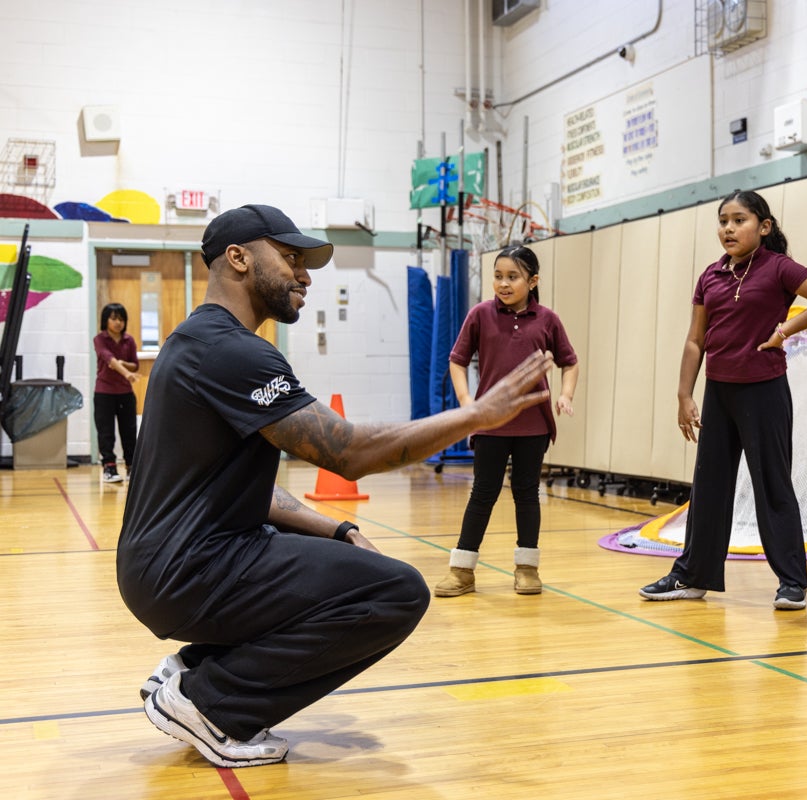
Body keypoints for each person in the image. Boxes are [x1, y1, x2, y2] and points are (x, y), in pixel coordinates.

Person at [117, 204, 554, 768]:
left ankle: (197, 669)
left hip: (170, 564)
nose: (305, 275)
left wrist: (340, 529)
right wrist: (476, 415)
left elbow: (249, 490)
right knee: (395, 592)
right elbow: (348, 452)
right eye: (291, 258)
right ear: (239, 258)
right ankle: (211, 702)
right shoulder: (232, 353)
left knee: (347, 565)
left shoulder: (194, 344)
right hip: (189, 569)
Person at [639, 189, 807, 609]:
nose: (729, 229)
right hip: (719, 391)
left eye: (739, 220)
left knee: (772, 484)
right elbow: (696, 340)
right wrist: (684, 394)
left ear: (763, 227)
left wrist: (786, 329)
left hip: (764, 390)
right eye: (723, 221)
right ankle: (693, 576)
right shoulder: (711, 276)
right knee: (710, 485)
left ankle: (792, 582)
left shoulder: (779, 268)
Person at [434, 245, 579, 597]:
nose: (503, 283)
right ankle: (462, 571)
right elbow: (457, 360)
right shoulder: (480, 315)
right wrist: (468, 402)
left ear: (533, 281)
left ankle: (527, 569)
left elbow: (569, 362)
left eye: (512, 277)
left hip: (535, 426)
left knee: (527, 494)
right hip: (490, 425)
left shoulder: (548, 319)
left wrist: (565, 395)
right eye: (498, 276)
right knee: (482, 493)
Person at [93, 302, 139, 482]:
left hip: (126, 394)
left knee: (129, 431)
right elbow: (109, 360)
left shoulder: (129, 340)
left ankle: (131, 467)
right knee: (106, 432)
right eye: (113, 319)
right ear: (106, 321)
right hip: (104, 393)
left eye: (121, 319)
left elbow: (135, 364)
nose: (118, 323)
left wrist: (125, 364)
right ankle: (109, 468)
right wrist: (127, 372)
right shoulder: (100, 339)